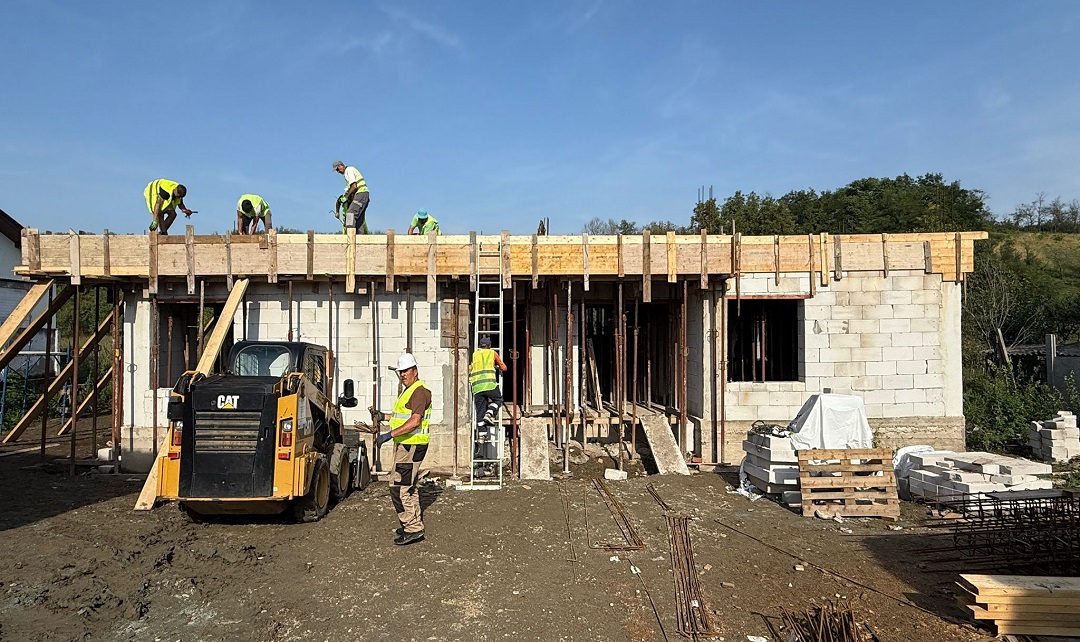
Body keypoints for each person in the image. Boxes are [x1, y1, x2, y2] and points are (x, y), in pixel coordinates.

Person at [372, 353, 431, 545]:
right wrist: (384, 416)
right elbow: (402, 417)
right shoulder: (410, 390)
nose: (403, 375)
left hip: (411, 445)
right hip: (408, 445)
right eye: (401, 372)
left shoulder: (419, 392)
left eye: (406, 371)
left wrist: (389, 435)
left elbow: (414, 421)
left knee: (398, 487)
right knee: (409, 486)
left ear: (415, 371)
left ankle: (412, 528)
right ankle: (414, 524)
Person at [469, 336, 506, 426]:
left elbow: (471, 367)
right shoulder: (492, 353)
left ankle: (482, 434)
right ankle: (489, 413)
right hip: (490, 385)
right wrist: (495, 366)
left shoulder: (475, 354)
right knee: (498, 400)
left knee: (480, 413)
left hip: (477, 387)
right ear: (489, 345)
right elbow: (504, 368)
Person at [332, 160, 370, 233]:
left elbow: (354, 187)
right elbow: (349, 191)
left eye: (337, 169)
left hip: (360, 194)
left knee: (350, 214)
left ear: (341, 165)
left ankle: (350, 235)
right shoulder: (348, 172)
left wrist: (346, 197)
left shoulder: (348, 170)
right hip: (364, 195)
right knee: (359, 220)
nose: (338, 171)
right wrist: (337, 211)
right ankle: (360, 238)